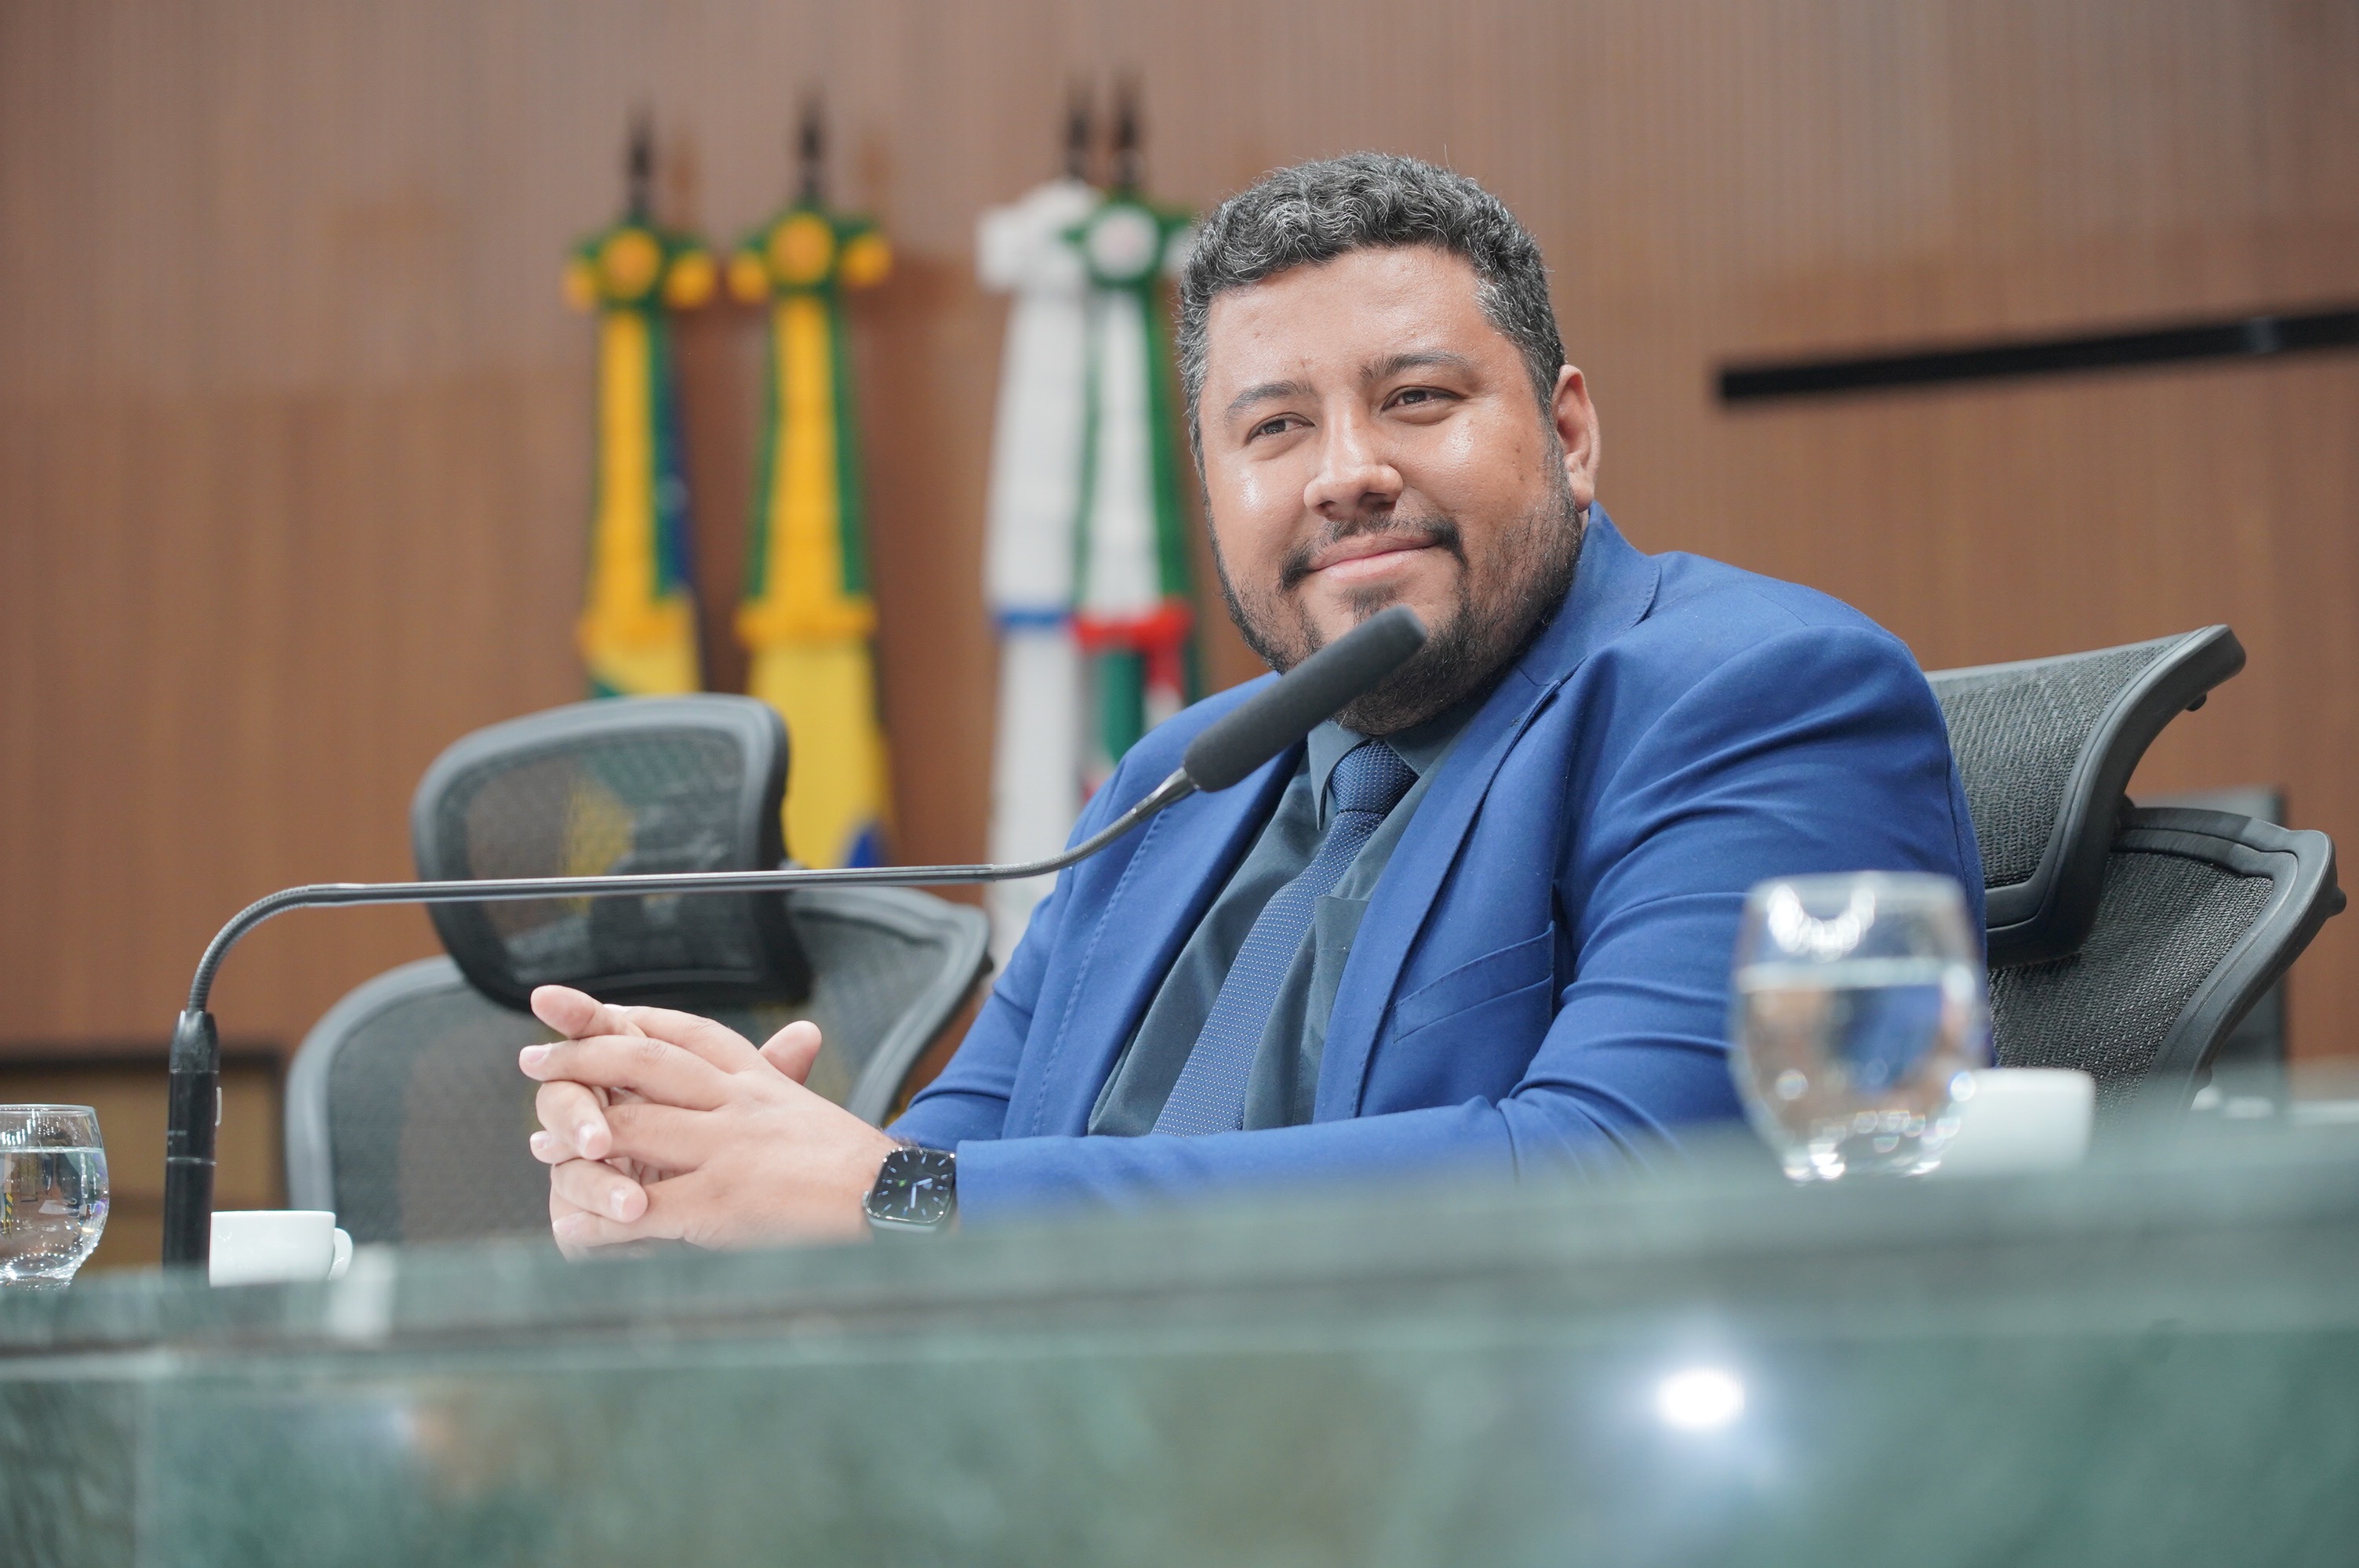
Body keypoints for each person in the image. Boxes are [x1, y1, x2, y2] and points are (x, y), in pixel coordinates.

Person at [518, 154, 1984, 1254]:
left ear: (1570, 432)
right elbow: (949, 1165)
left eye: (1417, 399)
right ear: (1216, 490)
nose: (1347, 471)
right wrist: (716, 1179)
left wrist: (890, 1195)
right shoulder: (1170, 784)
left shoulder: (1759, 696)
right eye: (1276, 426)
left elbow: (1633, 1176)